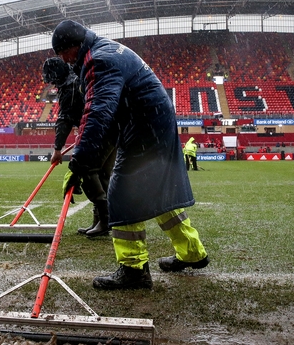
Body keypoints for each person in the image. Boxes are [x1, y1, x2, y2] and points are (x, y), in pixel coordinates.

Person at [52, 19, 209, 290]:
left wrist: (80, 162)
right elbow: (108, 118)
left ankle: (133, 269)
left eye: (61, 54)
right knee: (161, 195)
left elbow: (98, 113)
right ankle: (192, 252)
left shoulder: (97, 60)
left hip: (144, 127)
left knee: (122, 194)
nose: (64, 61)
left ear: (71, 47)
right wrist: (85, 160)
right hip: (154, 124)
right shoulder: (106, 50)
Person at [42, 57, 114, 238]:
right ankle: (102, 221)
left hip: (98, 131)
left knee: (89, 172)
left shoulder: (70, 87)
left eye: (52, 80)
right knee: (103, 175)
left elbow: (65, 119)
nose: (52, 84)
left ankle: (105, 221)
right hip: (111, 128)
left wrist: (57, 149)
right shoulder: (77, 74)